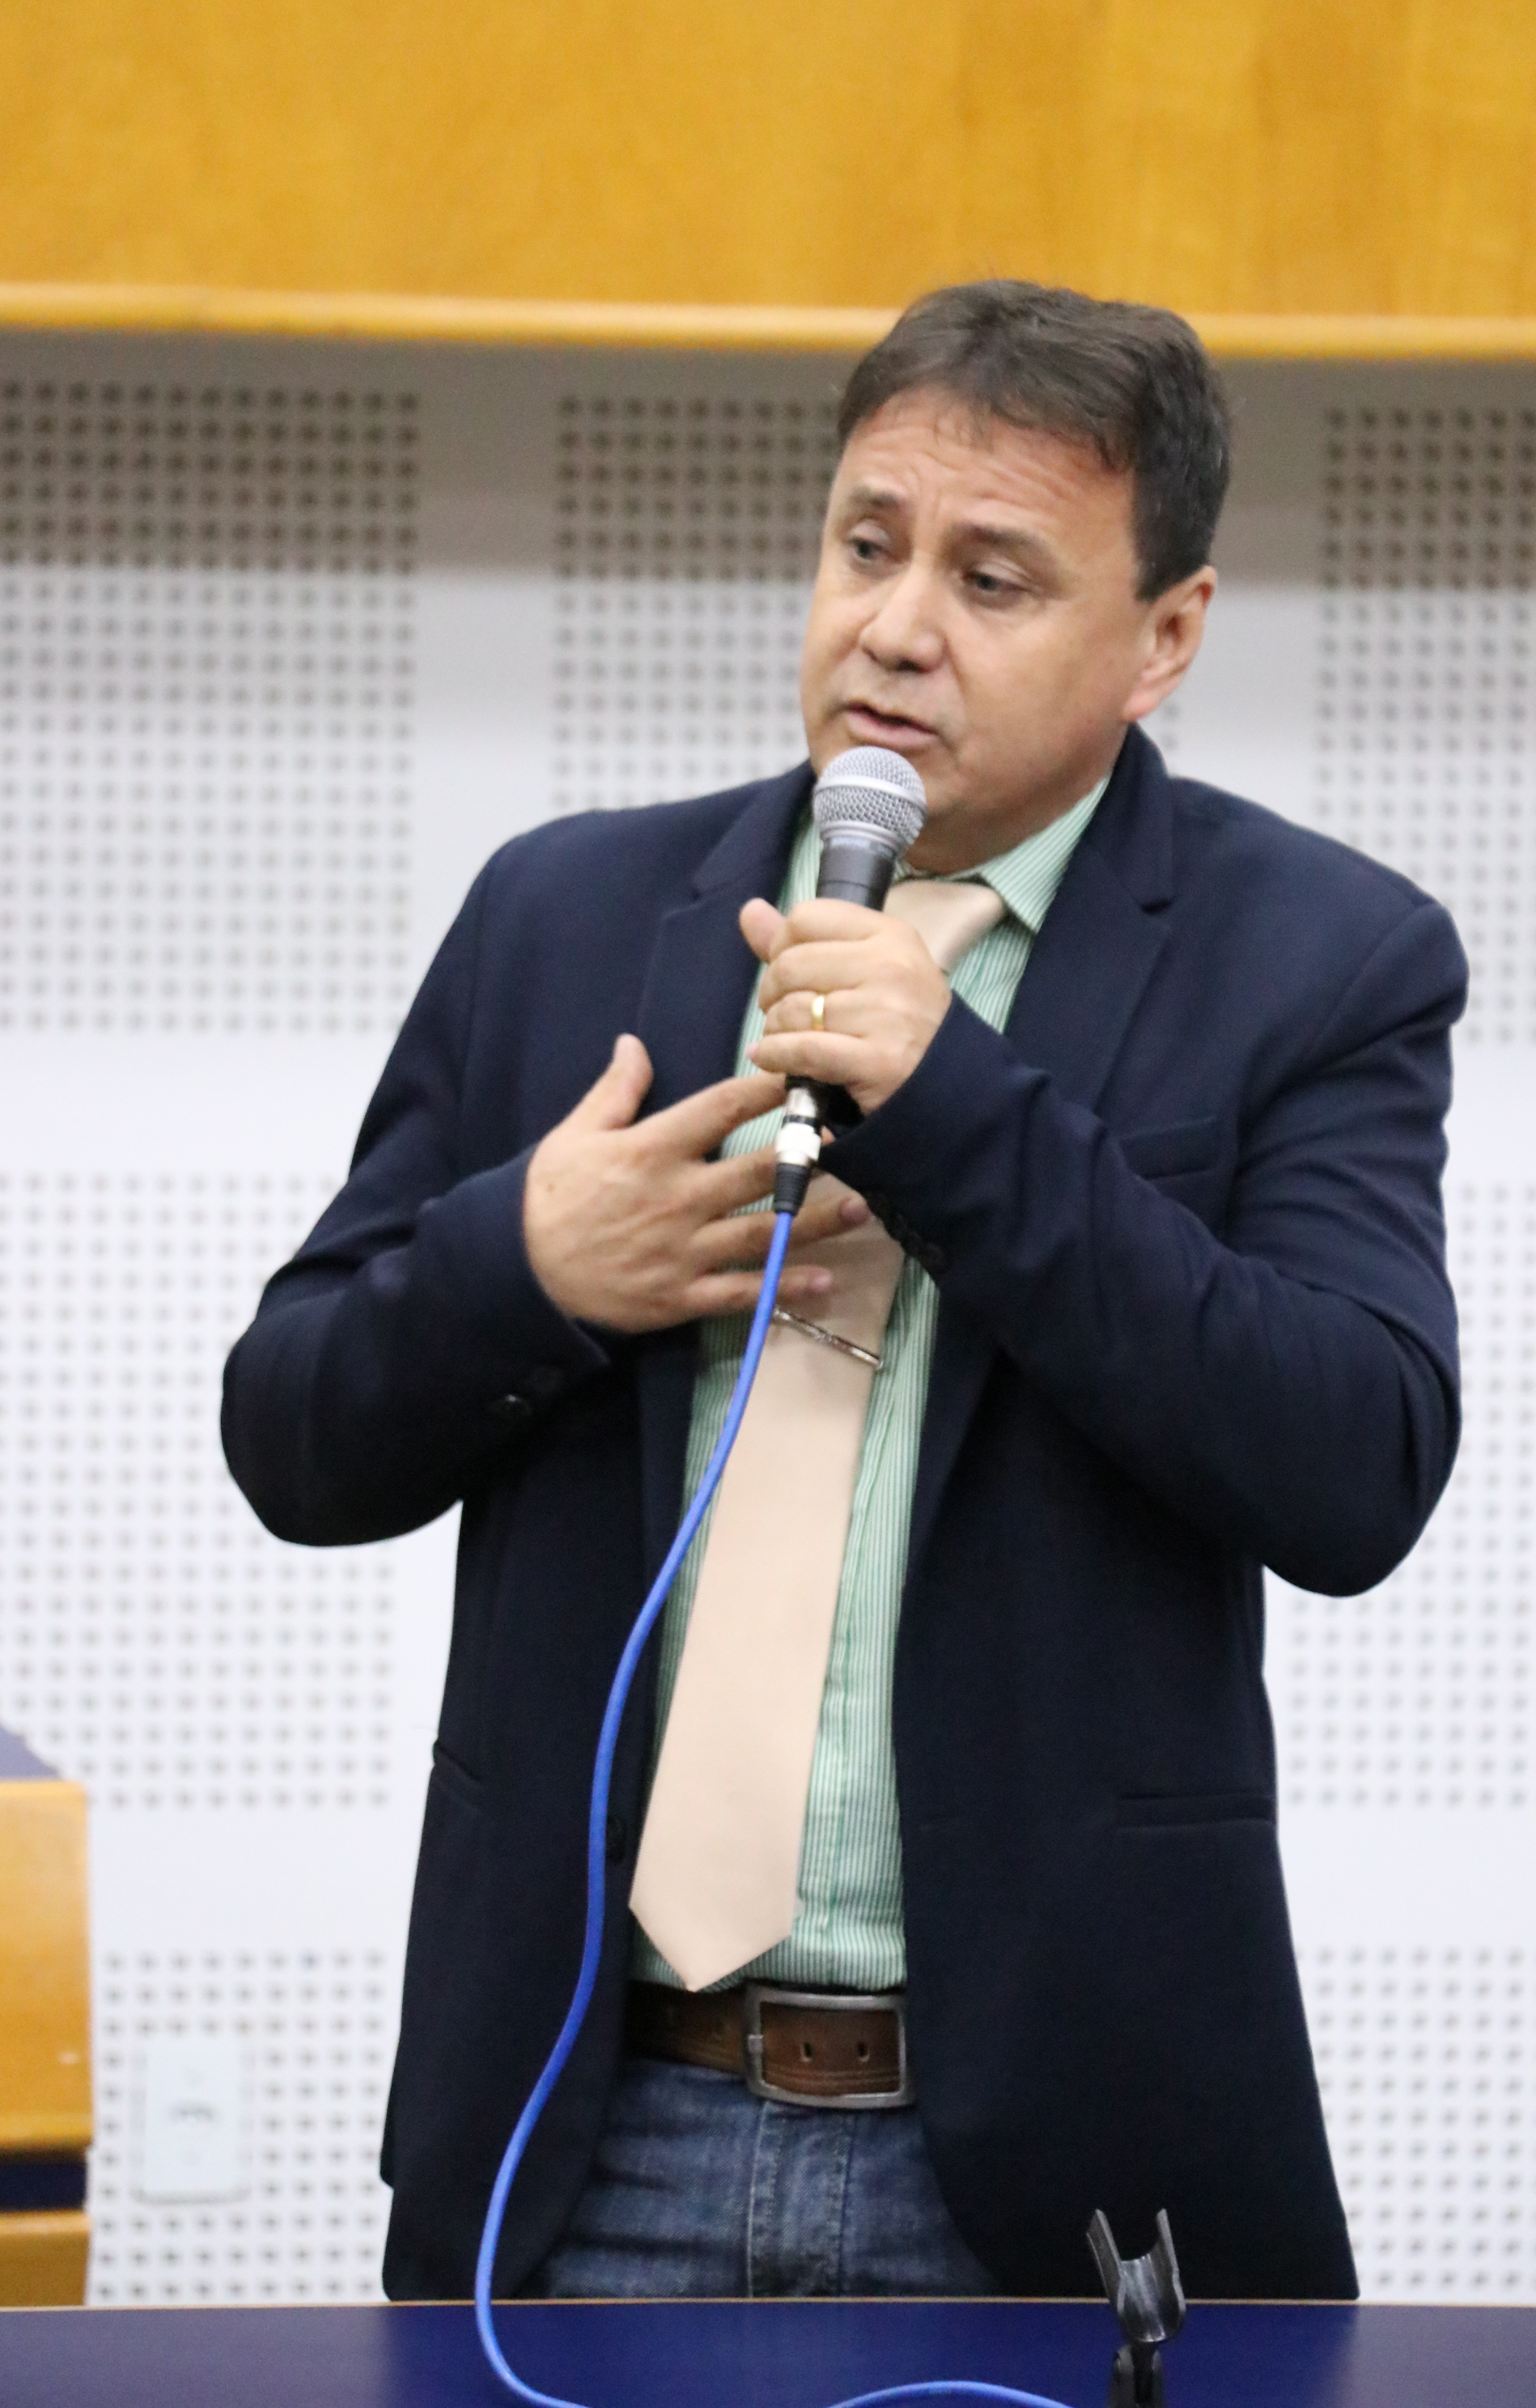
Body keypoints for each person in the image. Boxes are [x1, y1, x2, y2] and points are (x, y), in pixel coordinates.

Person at [221, 281, 1465, 2306]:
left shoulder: (1317, 959)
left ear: (1162, 636)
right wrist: (532, 1264)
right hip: (589, 2129)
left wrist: (954, 1107)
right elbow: (289, 1434)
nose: (892, 627)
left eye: (991, 578)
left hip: (1050, 2167)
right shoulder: (562, 915)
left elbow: (1351, 1463)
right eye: (864, 545)